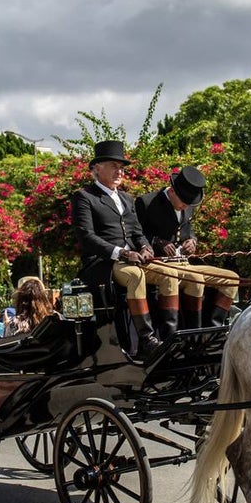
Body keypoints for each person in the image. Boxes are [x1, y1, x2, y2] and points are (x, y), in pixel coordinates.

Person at [70, 140, 184, 359]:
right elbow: (87, 237)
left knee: (169, 274)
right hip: (103, 264)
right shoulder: (84, 197)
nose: (119, 171)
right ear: (97, 168)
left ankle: (171, 337)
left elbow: (136, 232)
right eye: (114, 165)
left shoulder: (126, 198)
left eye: (121, 167)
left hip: (133, 260)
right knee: (135, 275)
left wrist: (145, 247)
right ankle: (146, 339)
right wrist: (121, 253)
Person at [135, 165, 239, 328]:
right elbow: (136, 235)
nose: (186, 207)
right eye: (183, 203)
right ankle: (190, 334)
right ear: (172, 192)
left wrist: (192, 241)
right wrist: (157, 242)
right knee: (196, 279)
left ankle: (212, 330)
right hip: (158, 265)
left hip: (184, 264)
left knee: (231, 278)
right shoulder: (146, 203)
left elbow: (188, 231)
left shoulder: (188, 204)